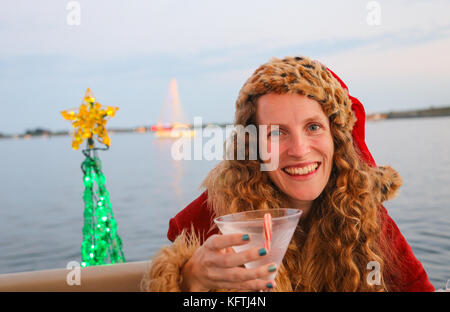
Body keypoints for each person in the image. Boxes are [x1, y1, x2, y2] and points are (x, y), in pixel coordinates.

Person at [142, 56, 435, 292]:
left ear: (336, 138)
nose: (299, 149)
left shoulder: (365, 215)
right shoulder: (212, 220)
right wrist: (190, 283)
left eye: (313, 127)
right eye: (276, 132)